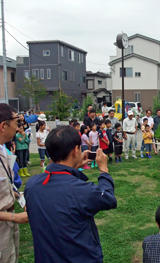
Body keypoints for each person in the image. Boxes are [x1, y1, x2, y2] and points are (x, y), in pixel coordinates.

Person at [24, 126, 117, 263]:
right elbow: (108, 198)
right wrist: (103, 170)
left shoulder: (32, 185)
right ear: (75, 150)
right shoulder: (80, 190)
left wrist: (73, 166)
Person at [0, 103, 29, 263]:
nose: (19, 128)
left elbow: (8, 184)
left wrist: (21, 198)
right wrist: (15, 217)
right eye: (16, 122)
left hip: (8, 223)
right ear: (4, 125)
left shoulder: (3, 150)